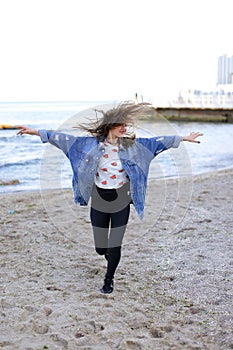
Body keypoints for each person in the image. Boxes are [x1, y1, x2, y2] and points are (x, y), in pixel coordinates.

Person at [17, 102, 203, 294]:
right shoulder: (87, 144)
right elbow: (60, 138)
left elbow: (157, 142)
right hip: (99, 198)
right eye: (120, 125)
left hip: (122, 198)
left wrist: (183, 138)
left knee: (115, 243)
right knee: (100, 247)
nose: (124, 128)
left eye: (126, 125)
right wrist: (33, 132)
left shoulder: (133, 146)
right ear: (109, 126)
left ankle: (109, 279)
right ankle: (108, 254)